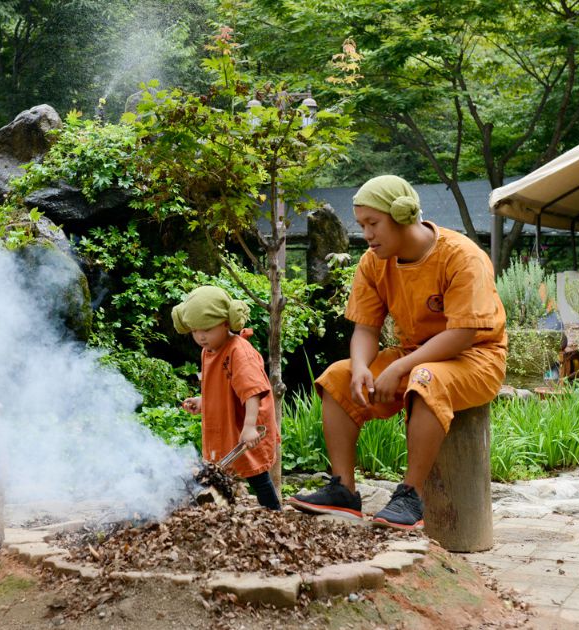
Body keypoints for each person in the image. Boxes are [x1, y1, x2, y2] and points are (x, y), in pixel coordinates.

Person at [287, 175, 506, 529]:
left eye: (373, 224)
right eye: (361, 225)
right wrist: (361, 367)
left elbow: (463, 334)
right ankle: (343, 490)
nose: (367, 234)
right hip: (413, 355)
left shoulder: (462, 256)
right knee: (337, 378)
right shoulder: (374, 262)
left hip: (475, 358)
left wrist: (399, 367)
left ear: (402, 215)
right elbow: (366, 328)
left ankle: (411, 496)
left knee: (424, 377)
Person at [173, 285, 281, 510]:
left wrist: (250, 426)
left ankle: (275, 514)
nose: (201, 336)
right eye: (195, 331)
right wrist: (204, 402)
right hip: (226, 425)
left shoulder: (238, 351)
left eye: (207, 329)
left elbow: (253, 391)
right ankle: (222, 513)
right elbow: (222, 388)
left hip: (246, 423)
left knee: (256, 474)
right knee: (221, 473)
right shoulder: (208, 350)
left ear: (225, 323)